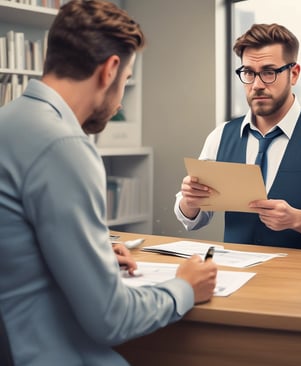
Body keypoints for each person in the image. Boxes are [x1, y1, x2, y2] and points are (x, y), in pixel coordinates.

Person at [0, 1, 217, 365]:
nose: (119, 103)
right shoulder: (64, 145)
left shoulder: (9, 121)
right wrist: (185, 287)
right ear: (110, 69)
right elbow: (111, 318)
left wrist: (92, 257)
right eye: (127, 80)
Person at [174, 23, 301, 252]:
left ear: (293, 74)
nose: (256, 85)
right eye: (248, 73)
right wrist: (189, 200)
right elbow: (193, 219)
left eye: (268, 72)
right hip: (235, 274)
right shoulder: (220, 136)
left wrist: (297, 219)